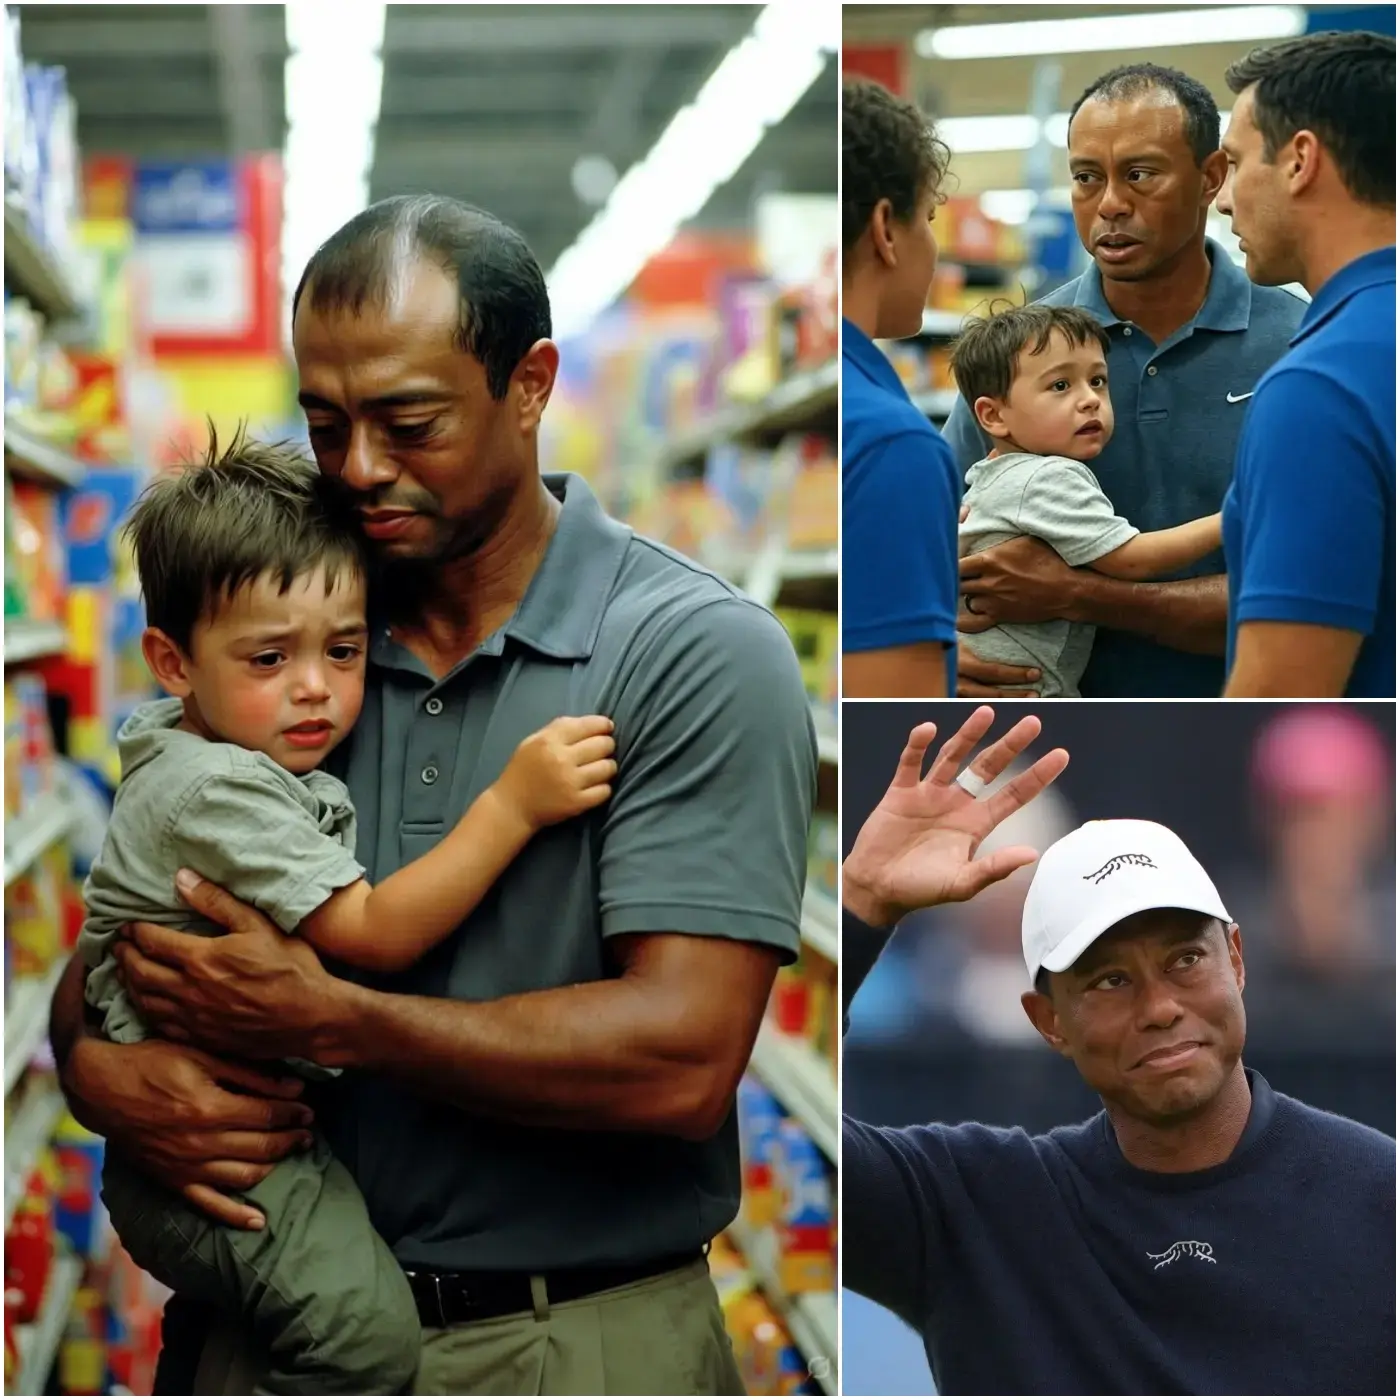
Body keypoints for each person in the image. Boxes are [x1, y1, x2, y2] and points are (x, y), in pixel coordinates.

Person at [50, 195, 817, 1396]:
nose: (358, 468)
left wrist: (333, 1020)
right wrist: (101, 1074)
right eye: (324, 422)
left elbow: (678, 1061)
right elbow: (128, 945)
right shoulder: (287, 637)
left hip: (574, 1343)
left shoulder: (692, 652)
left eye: (409, 422)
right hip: (263, 1329)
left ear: (529, 383)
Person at [79, 435, 617, 1393]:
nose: (316, 688)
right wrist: (513, 804)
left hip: (249, 1136)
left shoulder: (226, 744)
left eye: (342, 649)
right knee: (365, 1340)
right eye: (269, 657)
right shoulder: (216, 792)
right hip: (219, 1158)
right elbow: (376, 930)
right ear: (172, 661)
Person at [841, 708, 1396, 1395]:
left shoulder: (1381, 1198)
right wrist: (861, 902)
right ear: (1049, 1022)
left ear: (1237, 961)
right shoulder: (975, 1212)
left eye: (1186, 959)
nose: (1160, 1006)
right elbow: (746, 1125)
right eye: (1110, 980)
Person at [943, 64, 1304, 699]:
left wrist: (1083, 595)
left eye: (1140, 175)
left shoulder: (1299, 343)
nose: (1109, 203)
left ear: (1211, 178)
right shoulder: (1026, 352)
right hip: (1043, 734)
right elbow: (925, 533)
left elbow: (1304, 592)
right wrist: (938, 640)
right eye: (1087, 178)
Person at [1215, 30, 1396, 698]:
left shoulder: (1321, 387)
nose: (1224, 198)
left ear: (1299, 160)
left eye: (1235, 163)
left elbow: (1282, 698)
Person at [954, 304, 1223, 696]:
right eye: (1060, 386)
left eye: (1097, 381)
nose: (1090, 400)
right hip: (1030, 689)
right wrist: (1232, 517)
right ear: (993, 416)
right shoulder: (1048, 476)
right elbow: (1133, 559)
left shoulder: (991, 474)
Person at [841, 77, 960, 698]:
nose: (935, 248)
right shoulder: (895, 447)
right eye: (931, 218)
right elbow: (892, 742)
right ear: (887, 229)